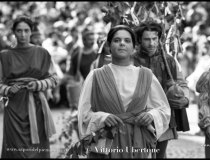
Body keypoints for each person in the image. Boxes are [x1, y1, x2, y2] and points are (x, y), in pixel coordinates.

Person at [77, 25, 171, 158]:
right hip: (105, 142)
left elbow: (163, 109)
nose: (122, 43)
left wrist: (151, 115)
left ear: (134, 47)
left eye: (127, 40)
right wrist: (102, 117)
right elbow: (84, 113)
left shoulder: (146, 75)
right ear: (109, 45)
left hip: (137, 143)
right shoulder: (95, 76)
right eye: (117, 40)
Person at [0, 15, 58, 158]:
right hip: (14, 108)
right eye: (19, 31)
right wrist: (7, 89)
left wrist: (39, 84)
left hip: (37, 106)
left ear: (31, 31)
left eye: (26, 30)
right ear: (14, 32)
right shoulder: (4, 56)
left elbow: (54, 78)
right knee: (15, 150)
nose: (23, 34)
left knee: (37, 150)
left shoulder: (42, 53)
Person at [133, 22, 190, 158]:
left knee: (160, 155)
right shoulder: (131, 60)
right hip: (139, 117)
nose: (152, 43)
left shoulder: (169, 61)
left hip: (164, 117)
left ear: (159, 39)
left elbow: (182, 83)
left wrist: (185, 100)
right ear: (140, 40)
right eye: (147, 39)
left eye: (154, 39)